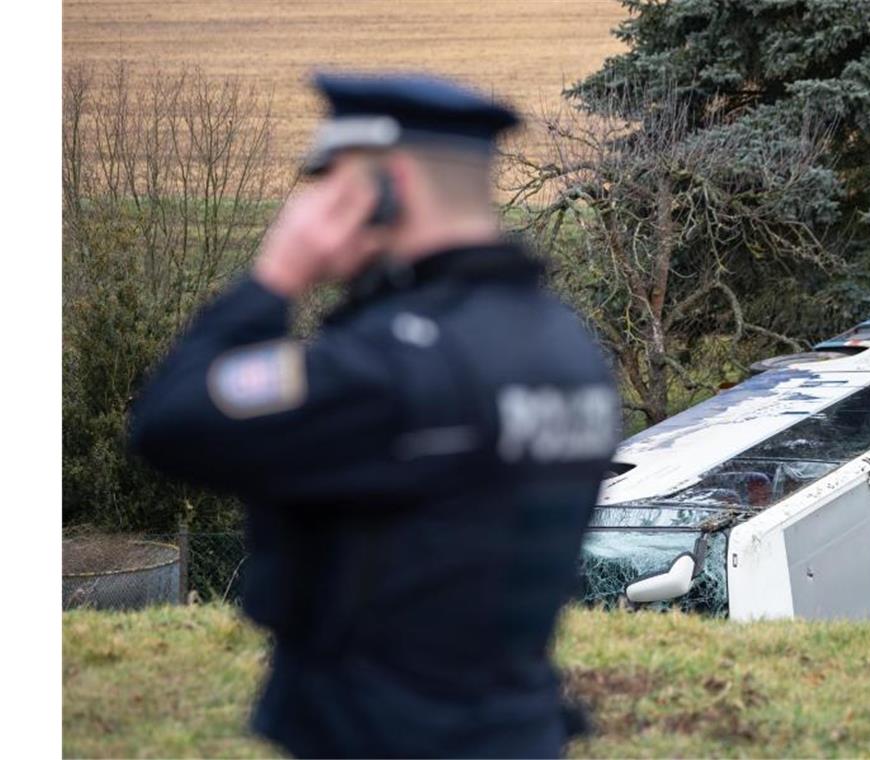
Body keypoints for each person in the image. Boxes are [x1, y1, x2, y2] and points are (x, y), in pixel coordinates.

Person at [129, 72, 620, 758]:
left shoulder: (389, 363)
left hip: (381, 737)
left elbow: (167, 423)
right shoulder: (567, 346)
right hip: (519, 731)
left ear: (383, 191)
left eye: (330, 185)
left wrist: (276, 277)